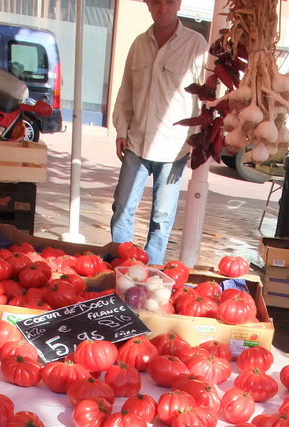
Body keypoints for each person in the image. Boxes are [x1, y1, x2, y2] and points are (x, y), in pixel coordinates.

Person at [110, 0, 207, 266]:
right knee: (121, 210)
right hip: (136, 142)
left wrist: (199, 140)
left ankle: (149, 275)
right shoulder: (139, 44)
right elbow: (125, 92)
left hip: (174, 148)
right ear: (148, 5)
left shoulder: (196, 45)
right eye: (156, 2)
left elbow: (208, 98)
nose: (162, 8)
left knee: (162, 219)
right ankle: (120, 267)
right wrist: (121, 128)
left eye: (169, 1)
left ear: (178, 4)